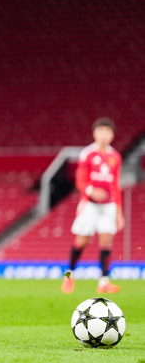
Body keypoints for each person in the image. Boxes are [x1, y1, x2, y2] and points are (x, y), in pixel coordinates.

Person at [62, 117, 123, 294]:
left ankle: (104, 282)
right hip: (89, 205)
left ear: (112, 135)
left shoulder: (115, 157)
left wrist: (119, 212)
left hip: (109, 205)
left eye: (107, 131)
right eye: (100, 131)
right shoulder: (87, 154)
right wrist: (91, 191)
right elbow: (80, 180)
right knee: (81, 241)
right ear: (94, 133)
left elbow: (116, 185)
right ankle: (68, 276)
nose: (103, 135)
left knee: (106, 241)